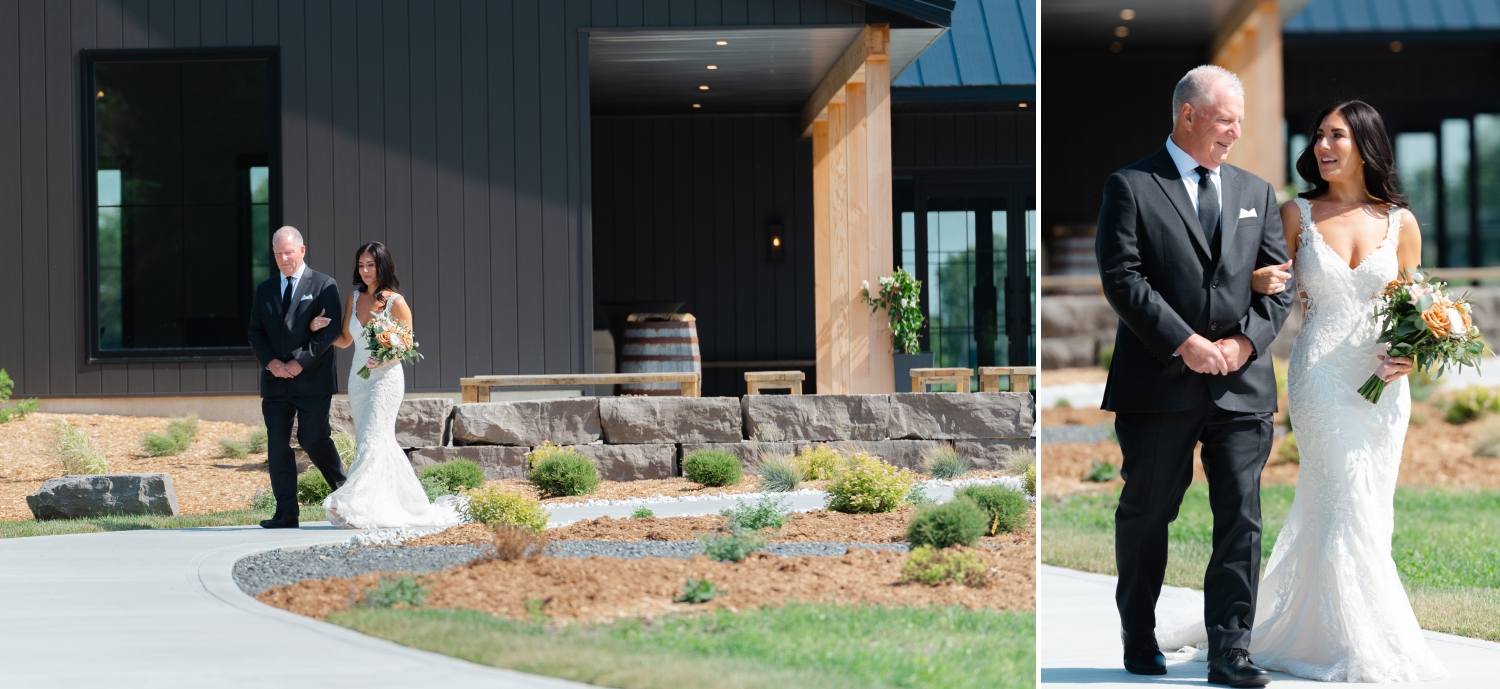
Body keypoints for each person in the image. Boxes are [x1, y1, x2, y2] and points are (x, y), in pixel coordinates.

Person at [1168, 100, 1446, 682]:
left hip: (1383, 390)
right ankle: (1367, 643)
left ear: (1366, 143)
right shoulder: (1295, 213)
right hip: (1320, 376)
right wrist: (1252, 280)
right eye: (1319, 135)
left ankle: (1322, 628)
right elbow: (1250, 288)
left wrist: (1412, 354)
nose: (1323, 146)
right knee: (1345, 498)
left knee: (1366, 509)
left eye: (1337, 136)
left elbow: (1417, 310)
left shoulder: (1401, 222)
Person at [1095, 65, 1294, 687]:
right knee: (1149, 512)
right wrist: (1185, 344)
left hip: (1241, 385)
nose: (1236, 132)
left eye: (1239, 121)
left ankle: (1230, 651)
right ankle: (1137, 630)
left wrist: (1241, 343)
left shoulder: (1257, 194)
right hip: (1158, 383)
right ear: (1189, 115)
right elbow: (1123, 279)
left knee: (1241, 516)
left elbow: (1278, 289)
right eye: (1226, 119)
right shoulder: (1130, 186)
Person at [308, 241, 461, 529]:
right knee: (380, 441)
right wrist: (316, 328)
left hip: (386, 380)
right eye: (361, 265)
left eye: (371, 264)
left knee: (372, 438)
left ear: (383, 265)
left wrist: (385, 357)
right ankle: (400, 504)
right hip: (358, 380)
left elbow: (408, 344)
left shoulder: (396, 302)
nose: (365, 270)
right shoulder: (353, 298)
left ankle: (354, 505)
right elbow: (344, 340)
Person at [247, 226, 348, 529]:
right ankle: (286, 513)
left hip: (312, 380)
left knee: (312, 437)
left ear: (301, 251)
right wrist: (273, 364)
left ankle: (347, 494)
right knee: (277, 444)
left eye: (288, 252)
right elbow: (256, 332)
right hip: (276, 381)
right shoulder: (265, 289)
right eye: (278, 253)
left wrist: (300, 362)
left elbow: (329, 331)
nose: (283, 258)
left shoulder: (323, 285)